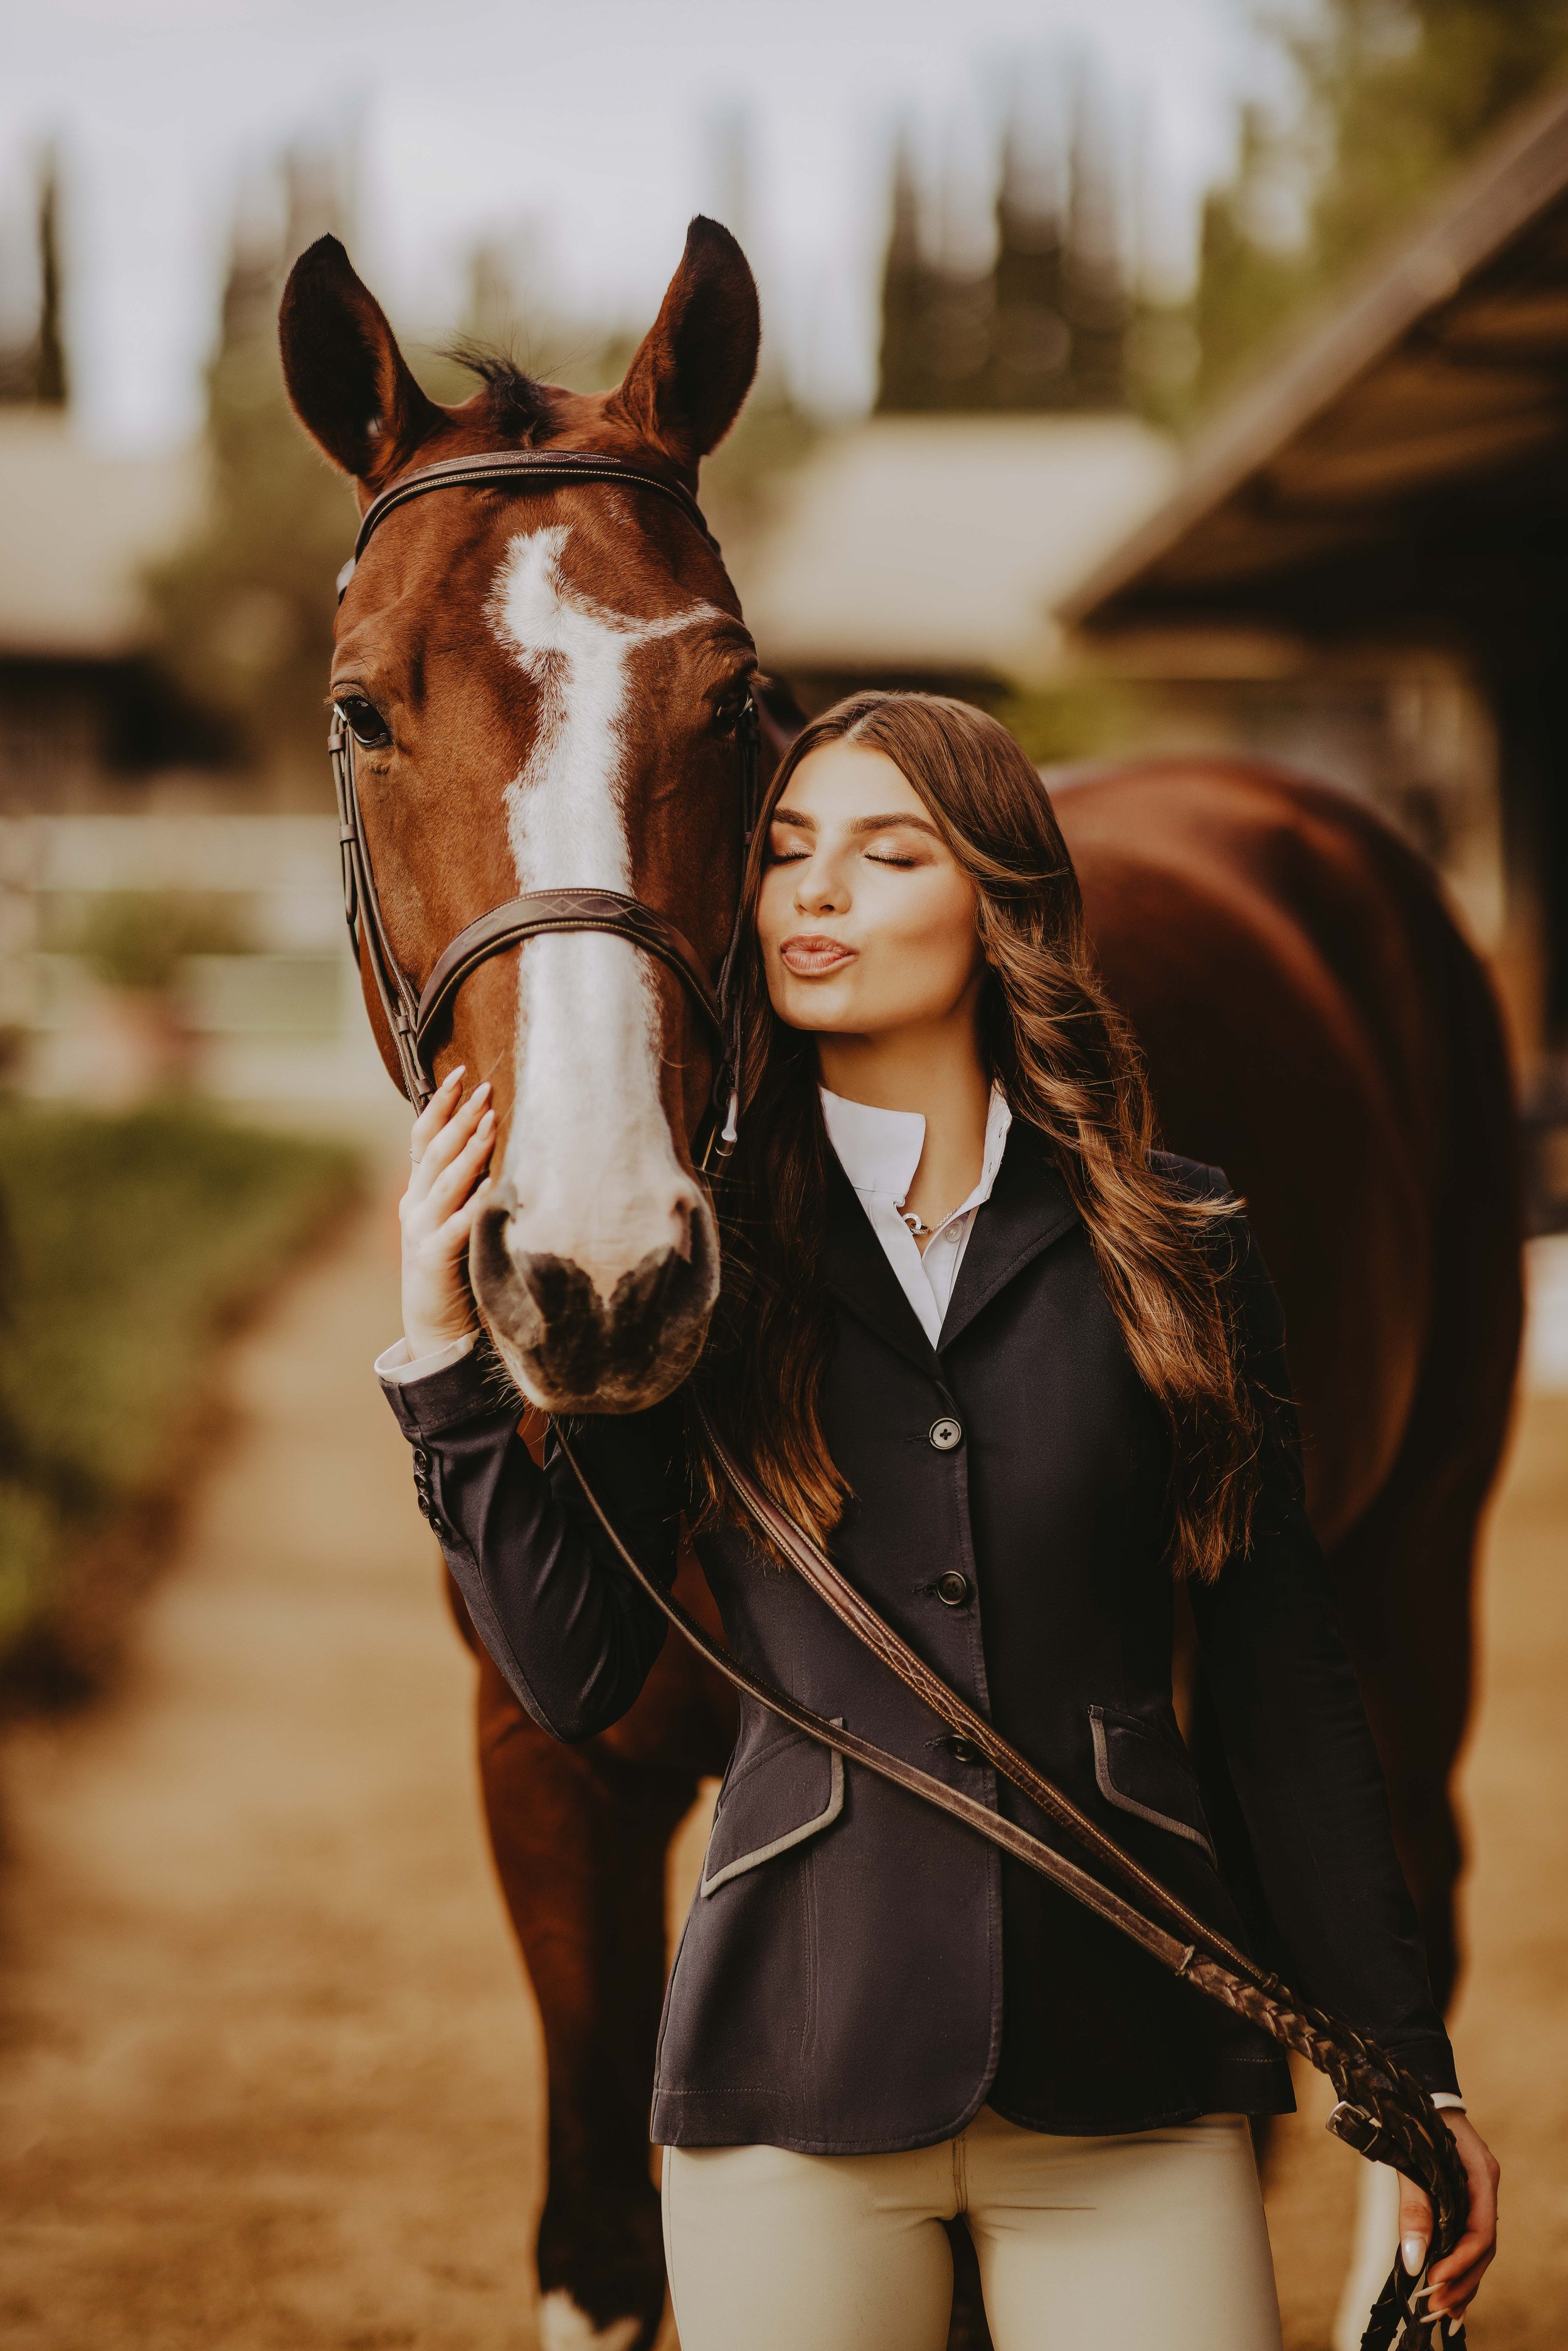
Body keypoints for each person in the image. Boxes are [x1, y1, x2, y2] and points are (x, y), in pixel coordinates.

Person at [377, 691, 1497, 2350]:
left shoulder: (1183, 1246)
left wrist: (1406, 2060)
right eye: (783, 853)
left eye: (885, 852)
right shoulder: (701, 1270)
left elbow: (1282, 1687)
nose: (813, 893)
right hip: (783, 2085)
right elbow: (567, 1670)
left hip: (1134, 2090)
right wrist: (447, 1362)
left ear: (1002, 906)